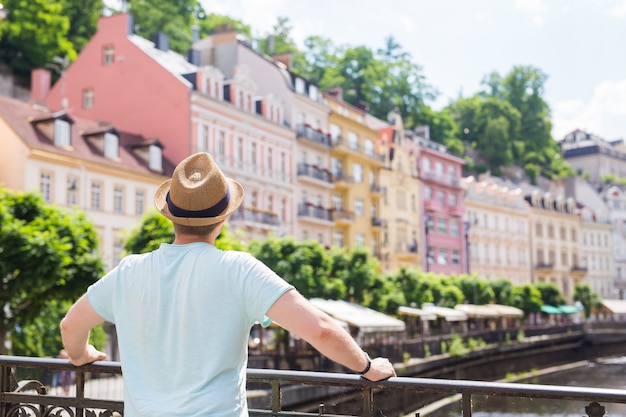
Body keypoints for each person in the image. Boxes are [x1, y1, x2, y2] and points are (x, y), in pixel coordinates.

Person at [60, 152, 396, 417]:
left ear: (171, 216)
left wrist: (82, 355)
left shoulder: (128, 270)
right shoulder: (238, 269)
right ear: (222, 218)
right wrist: (367, 366)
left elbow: (71, 324)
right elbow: (318, 328)